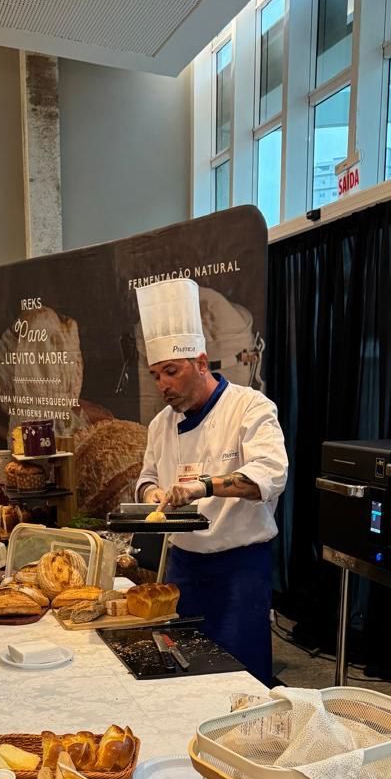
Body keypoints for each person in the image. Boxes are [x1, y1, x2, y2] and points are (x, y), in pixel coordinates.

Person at [134, 278, 288, 685]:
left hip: (238, 568)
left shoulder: (249, 407)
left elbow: (269, 476)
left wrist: (202, 487)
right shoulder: (160, 425)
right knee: (183, 672)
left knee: (240, 681)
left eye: (171, 371)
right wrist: (153, 493)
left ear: (202, 363)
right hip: (183, 568)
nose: (163, 384)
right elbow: (147, 478)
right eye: (155, 375)